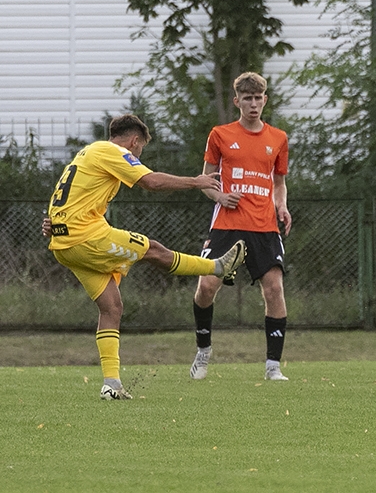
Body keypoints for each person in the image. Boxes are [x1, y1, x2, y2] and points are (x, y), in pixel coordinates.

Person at [45, 114, 247, 400]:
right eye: (140, 151)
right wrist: (196, 181)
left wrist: (53, 223)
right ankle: (217, 266)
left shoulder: (87, 153)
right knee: (152, 250)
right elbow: (151, 182)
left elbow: (68, 197)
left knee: (111, 307)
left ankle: (111, 384)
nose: (138, 157)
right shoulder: (114, 151)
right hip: (85, 237)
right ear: (134, 141)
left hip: (64, 243)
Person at [189, 72, 293, 381]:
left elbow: (279, 182)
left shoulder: (278, 138)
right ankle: (203, 351)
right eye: (247, 98)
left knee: (274, 288)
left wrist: (282, 205)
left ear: (265, 100)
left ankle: (273, 367)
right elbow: (205, 181)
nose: (253, 104)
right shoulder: (220, 134)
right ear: (237, 101)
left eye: (258, 98)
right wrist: (220, 195)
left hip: (264, 226)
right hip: (227, 224)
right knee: (207, 285)